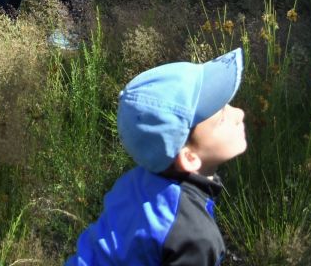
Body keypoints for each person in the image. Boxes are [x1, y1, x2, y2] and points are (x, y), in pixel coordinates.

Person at [69, 48, 247, 266]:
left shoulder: (136, 182)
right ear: (189, 158)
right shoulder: (195, 238)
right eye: (221, 119)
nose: (239, 113)